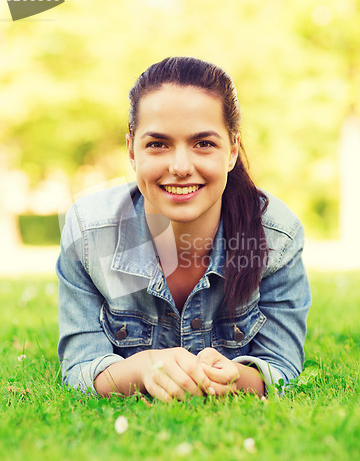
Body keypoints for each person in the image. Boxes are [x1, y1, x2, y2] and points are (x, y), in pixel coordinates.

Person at [57, 56, 311, 402]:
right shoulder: (88, 232)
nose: (180, 166)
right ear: (131, 149)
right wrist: (144, 367)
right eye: (158, 144)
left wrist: (235, 378)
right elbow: (81, 367)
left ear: (232, 151)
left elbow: (281, 368)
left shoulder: (276, 235)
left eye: (203, 143)